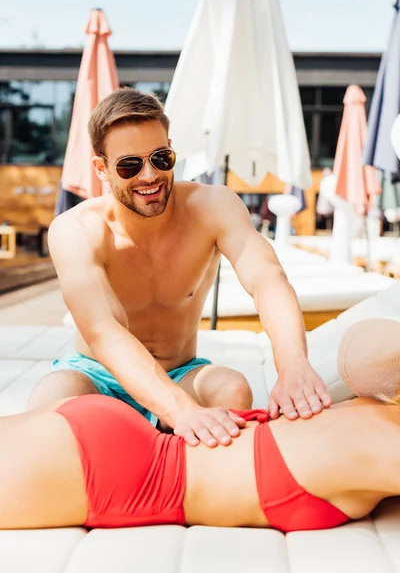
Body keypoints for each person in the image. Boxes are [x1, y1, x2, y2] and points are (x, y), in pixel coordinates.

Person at [28, 87, 330, 448]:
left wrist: (293, 365)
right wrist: (181, 411)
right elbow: (103, 332)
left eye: (160, 157)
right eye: (129, 165)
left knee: (232, 390)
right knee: (53, 400)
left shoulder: (213, 206)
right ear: (101, 168)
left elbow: (267, 279)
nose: (149, 176)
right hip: (97, 376)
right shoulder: (76, 230)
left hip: (181, 371)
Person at [1, 317, 400, 532]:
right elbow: (360, 348)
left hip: (124, 461)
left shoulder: (375, 416)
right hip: (122, 471)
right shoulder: (382, 422)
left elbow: (362, 345)